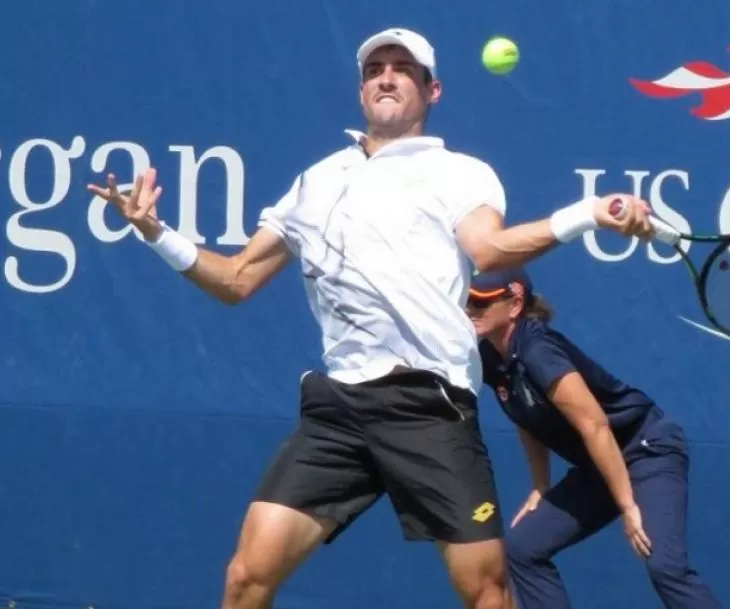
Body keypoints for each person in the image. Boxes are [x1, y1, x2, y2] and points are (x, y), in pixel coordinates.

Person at [87, 26, 656, 609]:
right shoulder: (316, 181)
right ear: (361, 90)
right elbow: (237, 280)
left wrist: (587, 213)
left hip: (429, 405)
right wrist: (155, 232)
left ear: (432, 90)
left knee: (487, 592)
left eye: (402, 68)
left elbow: (488, 250)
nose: (386, 77)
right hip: (338, 410)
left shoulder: (461, 172)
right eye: (374, 70)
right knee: (246, 578)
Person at [467, 267, 722, 609]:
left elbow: (595, 426)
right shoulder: (490, 357)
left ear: (514, 306)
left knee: (665, 566)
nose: (471, 310)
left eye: (482, 303)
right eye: (469, 302)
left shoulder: (538, 351)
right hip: (600, 464)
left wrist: (628, 506)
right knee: (522, 549)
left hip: (646, 449)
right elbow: (525, 417)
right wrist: (540, 485)